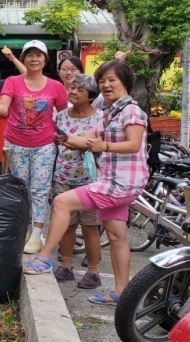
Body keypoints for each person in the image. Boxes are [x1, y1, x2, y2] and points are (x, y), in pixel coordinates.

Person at [24, 60, 147, 307]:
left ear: (125, 82)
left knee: (61, 202)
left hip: (120, 183)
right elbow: (87, 141)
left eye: (112, 80)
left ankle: (44, 257)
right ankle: (121, 292)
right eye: (102, 81)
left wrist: (105, 146)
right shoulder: (110, 112)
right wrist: (64, 138)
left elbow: (133, 144)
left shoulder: (131, 110)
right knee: (116, 236)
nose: (106, 85)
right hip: (115, 181)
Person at [0, 40, 68, 254]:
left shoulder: (56, 86)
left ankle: (36, 235)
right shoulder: (13, 81)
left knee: (40, 189)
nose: (34, 59)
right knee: (21, 188)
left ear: (45, 59)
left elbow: (65, 115)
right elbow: (4, 108)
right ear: (23, 59)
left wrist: (64, 136)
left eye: (39, 55)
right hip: (16, 144)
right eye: (30, 55)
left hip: (44, 144)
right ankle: (23, 229)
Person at [49, 74, 104, 289]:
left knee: (90, 226)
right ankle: (66, 266)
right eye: (72, 87)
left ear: (91, 96)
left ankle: (93, 271)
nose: (73, 92)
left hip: (89, 180)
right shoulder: (61, 115)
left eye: (80, 89)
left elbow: (95, 145)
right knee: (67, 225)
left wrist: (71, 141)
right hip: (63, 176)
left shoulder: (100, 117)